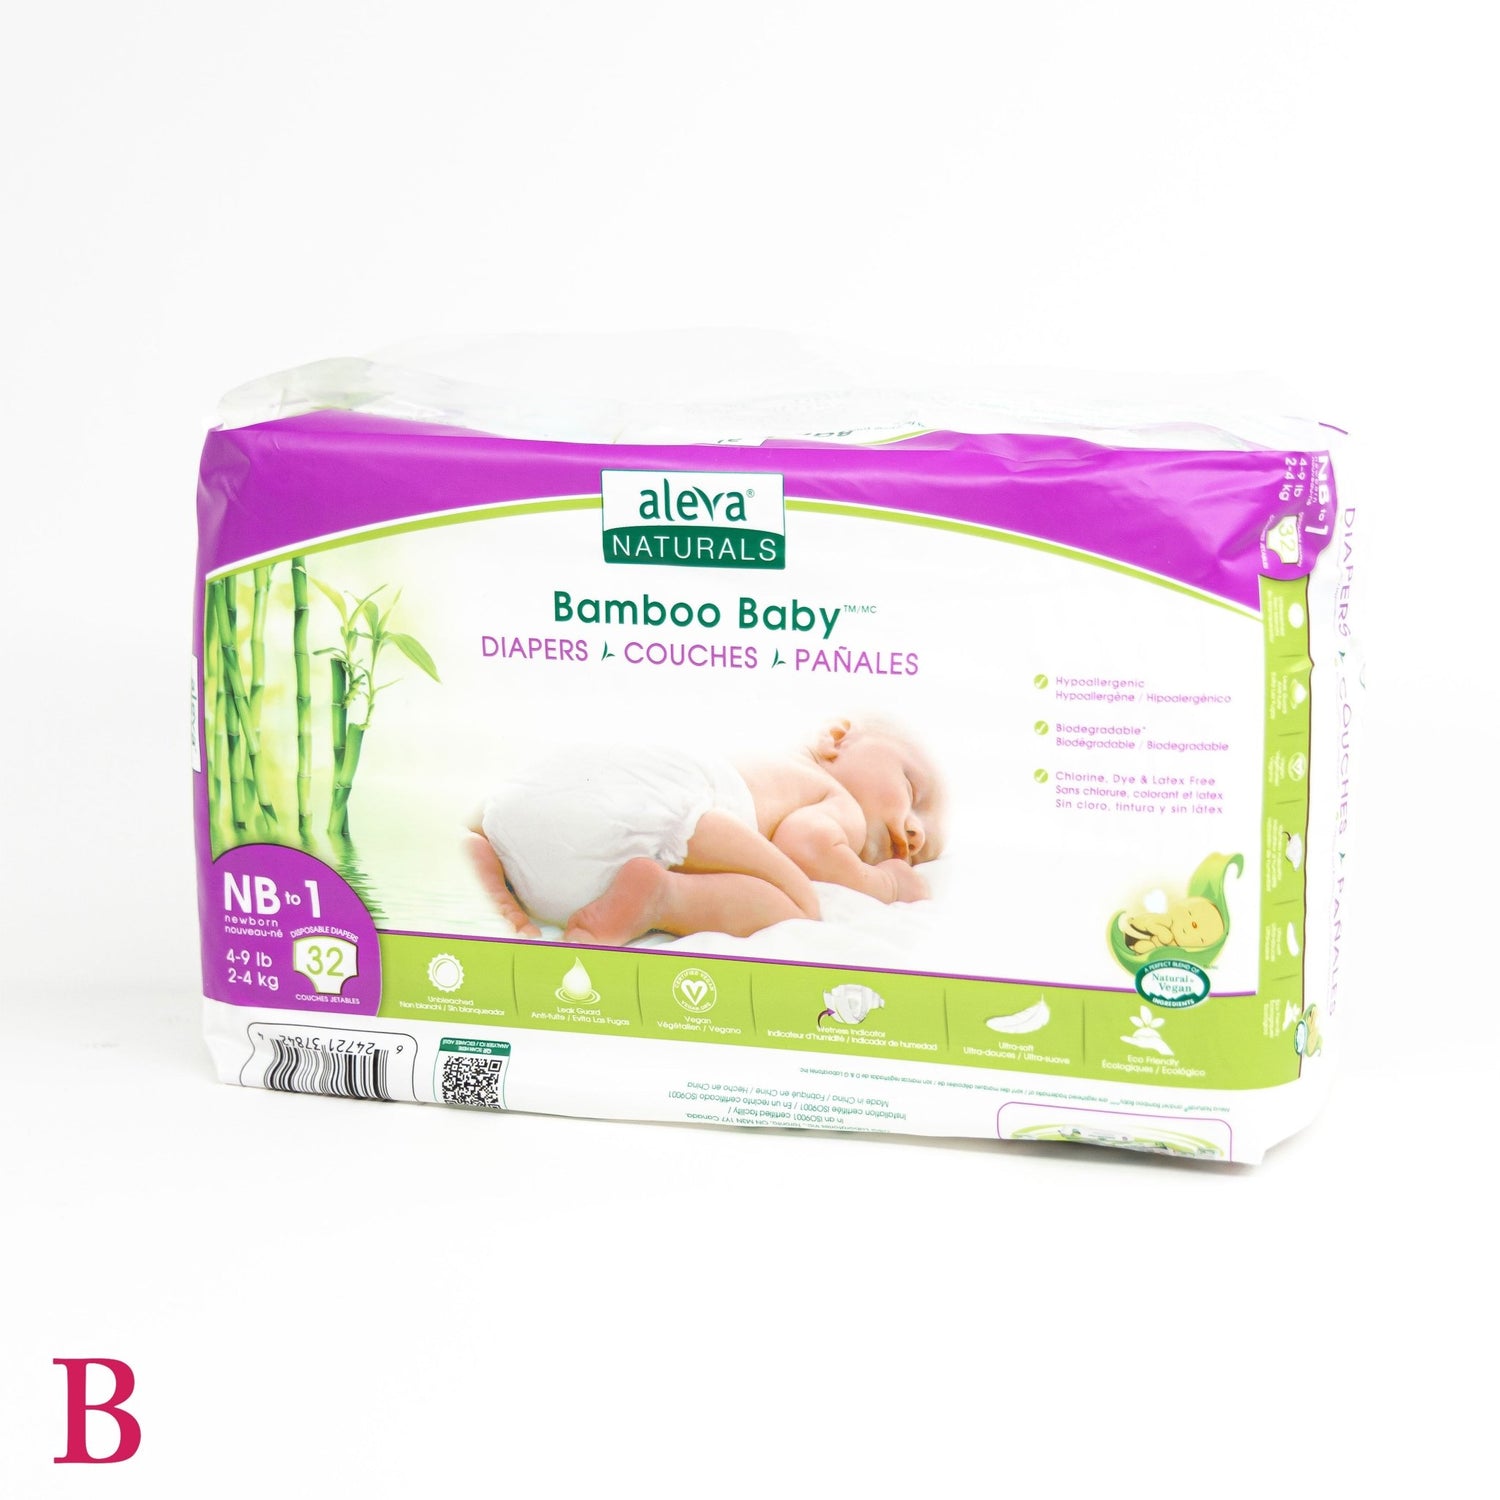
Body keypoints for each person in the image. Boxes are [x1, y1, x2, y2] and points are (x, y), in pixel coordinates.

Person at [462, 718, 944, 945]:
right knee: (799, 907)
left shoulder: (748, 752)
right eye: (911, 788)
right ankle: (661, 896)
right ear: (837, 739)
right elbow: (807, 846)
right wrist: (888, 883)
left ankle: (484, 849)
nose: (916, 833)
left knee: (512, 806)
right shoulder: (836, 798)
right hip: (684, 818)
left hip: (540, 810)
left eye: (923, 848)